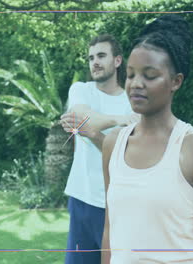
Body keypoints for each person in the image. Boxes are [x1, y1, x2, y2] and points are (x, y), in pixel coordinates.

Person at [101, 15, 193, 264]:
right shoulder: (113, 144)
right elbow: (110, 231)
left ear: (176, 81)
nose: (136, 84)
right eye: (130, 75)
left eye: (149, 76)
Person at [60, 34, 139, 264]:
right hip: (81, 200)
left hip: (115, 205)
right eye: (91, 57)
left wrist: (93, 132)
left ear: (117, 61)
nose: (94, 62)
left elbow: (125, 154)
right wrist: (119, 120)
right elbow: (79, 117)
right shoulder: (81, 89)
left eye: (101, 56)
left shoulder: (132, 100)